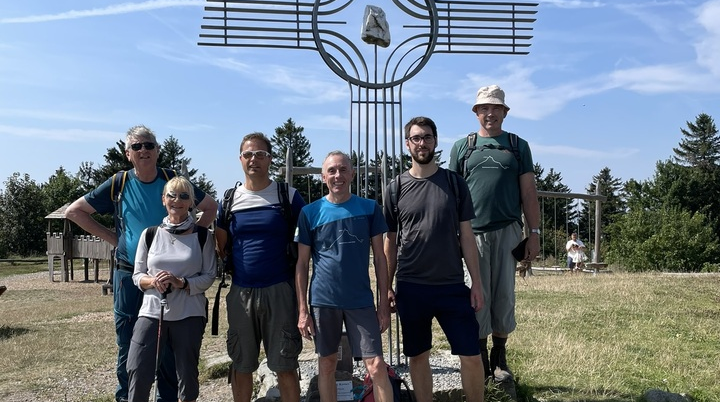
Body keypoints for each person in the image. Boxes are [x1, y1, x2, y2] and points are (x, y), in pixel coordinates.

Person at [65, 126, 217, 402]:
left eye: (149, 145)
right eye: (137, 147)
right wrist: (116, 239)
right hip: (128, 275)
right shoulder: (118, 183)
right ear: (128, 154)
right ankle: (127, 397)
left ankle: (167, 398)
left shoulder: (173, 182)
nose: (143, 151)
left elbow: (210, 207)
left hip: (172, 282)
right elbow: (74, 212)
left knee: (169, 344)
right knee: (128, 345)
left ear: (158, 151)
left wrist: (192, 238)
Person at [383, 116, 485, 402]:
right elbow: (389, 241)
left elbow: (467, 236)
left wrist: (476, 283)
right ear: (407, 144)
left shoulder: (454, 183)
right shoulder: (395, 188)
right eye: (416, 138)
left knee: (472, 355)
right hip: (412, 286)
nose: (422, 143)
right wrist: (386, 287)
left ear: (436, 141)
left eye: (427, 137)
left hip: (451, 285)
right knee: (418, 356)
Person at [448, 85, 541, 383]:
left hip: (508, 231)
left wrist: (535, 232)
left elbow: (528, 192)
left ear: (505, 112)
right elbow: (451, 195)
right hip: (470, 234)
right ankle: (480, 358)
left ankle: (499, 357)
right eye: (484, 108)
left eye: (496, 108)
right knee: (476, 295)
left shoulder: (517, 146)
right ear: (476, 113)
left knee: (503, 296)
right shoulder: (463, 147)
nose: (490, 113)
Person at [295, 151, 393, 402]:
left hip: (360, 299)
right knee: (327, 364)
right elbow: (302, 263)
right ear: (323, 176)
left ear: (352, 173)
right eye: (332, 171)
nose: (337, 176)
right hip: (324, 300)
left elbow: (380, 259)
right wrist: (303, 311)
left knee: (376, 365)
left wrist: (383, 304)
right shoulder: (309, 212)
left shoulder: (369, 208)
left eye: (342, 170)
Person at [215, 132, 305, 402]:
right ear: (240, 159)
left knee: (285, 365)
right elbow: (221, 244)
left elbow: (305, 243)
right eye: (248, 154)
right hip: (241, 291)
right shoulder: (229, 199)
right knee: (241, 364)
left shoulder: (287, 196)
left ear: (270, 159)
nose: (254, 159)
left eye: (260, 154)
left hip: (280, 290)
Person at [127, 176, 216, 402]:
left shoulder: (203, 236)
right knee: (138, 366)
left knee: (187, 373)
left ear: (191, 202)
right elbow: (137, 276)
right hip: (152, 311)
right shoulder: (150, 234)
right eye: (172, 195)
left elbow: (209, 276)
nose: (177, 200)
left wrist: (182, 283)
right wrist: (153, 281)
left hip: (189, 313)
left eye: (184, 196)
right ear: (163, 199)